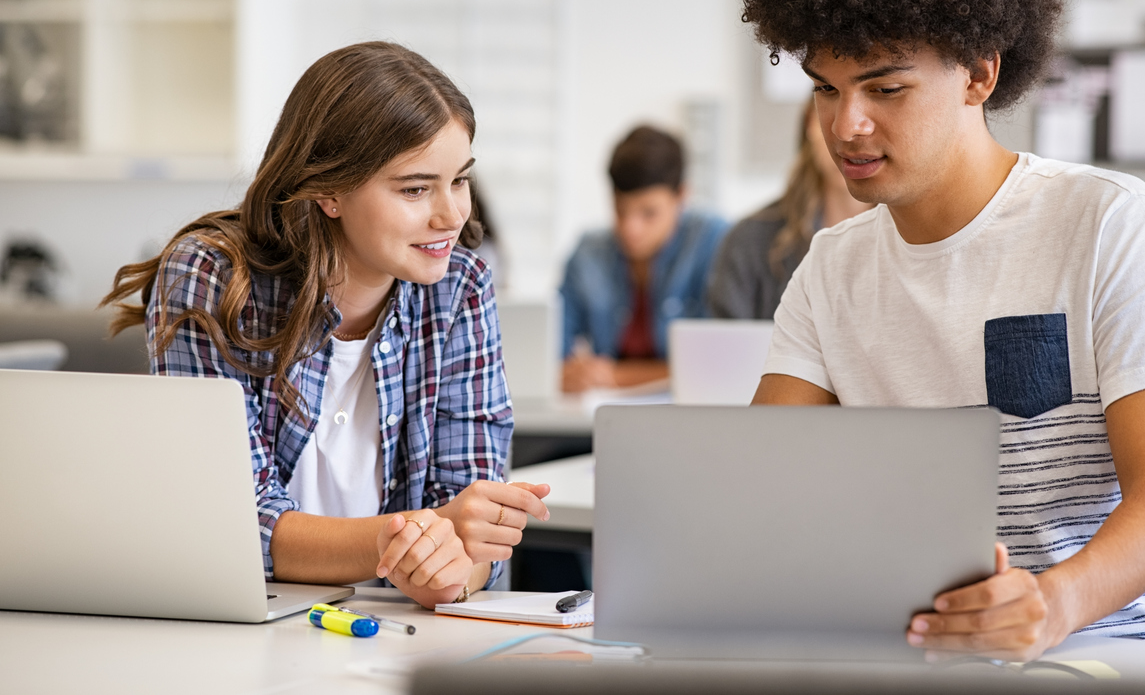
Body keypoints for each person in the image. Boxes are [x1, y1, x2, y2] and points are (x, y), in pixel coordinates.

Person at [742, 0, 1145, 656]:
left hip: (1138, 646)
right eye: (826, 90)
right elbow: (756, 488)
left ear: (980, 73)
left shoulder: (1108, 222)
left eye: (886, 89)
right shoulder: (832, 267)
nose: (847, 127)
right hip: (940, 649)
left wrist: (1052, 606)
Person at [103, 42, 550, 607]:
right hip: (245, 620)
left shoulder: (460, 290)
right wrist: (417, 536)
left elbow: (473, 526)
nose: (452, 215)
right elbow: (233, 520)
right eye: (415, 188)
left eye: (459, 180)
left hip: (398, 629)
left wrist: (453, 571)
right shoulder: (213, 276)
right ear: (328, 191)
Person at [559, 125, 727, 393]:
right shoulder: (588, 252)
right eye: (620, 209)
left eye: (648, 213)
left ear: (681, 196)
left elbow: (719, 366)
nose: (630, 228)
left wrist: (615, 376)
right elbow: (552, 357)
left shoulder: (715, 242)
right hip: (603, 415)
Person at [707, 99, 871, 319]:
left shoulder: (921, 239)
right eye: (832, 113)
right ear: (809, 124)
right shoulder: (748, 241)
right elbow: (727, 346)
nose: (848, 136)